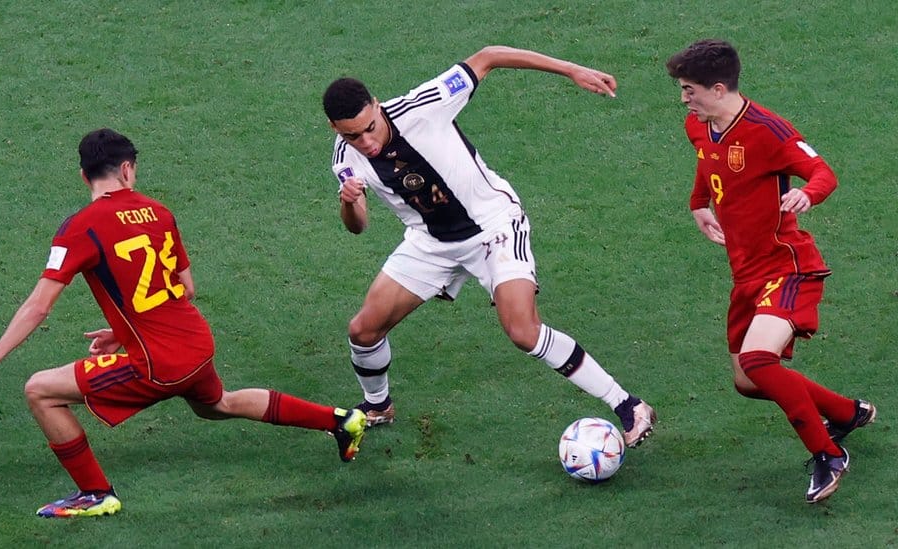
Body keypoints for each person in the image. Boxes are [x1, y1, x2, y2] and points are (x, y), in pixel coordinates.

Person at [0, 128, 367, 518]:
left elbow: (39, 306)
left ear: (84, 176)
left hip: (159, 362)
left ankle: (95, 494)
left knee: (40, 391)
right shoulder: (158, 212)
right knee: (217, 404)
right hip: (196, 343)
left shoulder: (80, 227)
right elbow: (186, 287)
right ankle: (340, 420)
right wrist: (122, 332)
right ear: (127, 169)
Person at [321, 46, 656, 448]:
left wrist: (571, 69)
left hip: (493, 227)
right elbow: (357, 226)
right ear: (334, 127)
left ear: (377, 106)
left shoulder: (424, 105)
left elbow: (489, 56)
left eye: (370, 128)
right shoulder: (345, 159)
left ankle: (628, 404)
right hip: (431, 243)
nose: (367, 142)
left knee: (523, 331)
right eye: (352, 135)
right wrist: (348, 202)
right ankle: (378, 405)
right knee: (363, 330)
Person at [665, 39, 876, 503]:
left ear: (718, 89)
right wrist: (699, 203)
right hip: (746, 276)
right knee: (747, 380)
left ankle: (828, 455)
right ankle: (846, 413)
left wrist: (807, 194)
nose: (683, 99)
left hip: (788, 266)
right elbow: (707, 160)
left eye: (689, 90)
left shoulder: (768, 130)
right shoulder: (698, 125)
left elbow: (823, 172)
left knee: (760, 361)